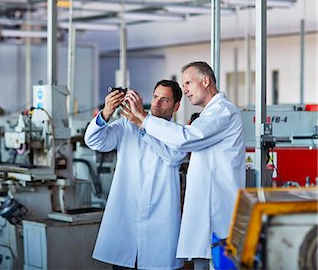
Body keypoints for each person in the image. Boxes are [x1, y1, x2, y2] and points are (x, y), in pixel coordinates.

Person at [122, 61, 245, 270]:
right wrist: (144, 124)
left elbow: (185, 138)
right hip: (207, 219)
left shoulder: (224, 112)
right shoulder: (207, 115)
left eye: (188, 82)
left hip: (220, 218)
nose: (185, 89)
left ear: (205, 81)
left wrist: (144, 118)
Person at [84, 80, 186, 270]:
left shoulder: (178, 134)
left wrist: (143, 125)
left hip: (160, 226)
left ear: (176, 106)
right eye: (155, 97)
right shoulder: (125, 125)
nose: (156, 103)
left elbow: (173, 157)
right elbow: (94, 141)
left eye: (164, 100)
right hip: (126, 222)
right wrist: (106, 113)